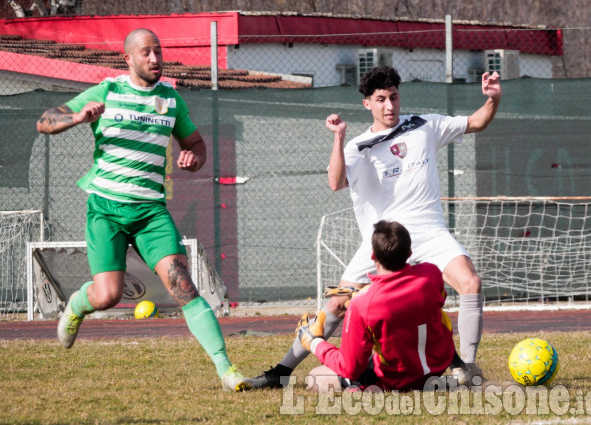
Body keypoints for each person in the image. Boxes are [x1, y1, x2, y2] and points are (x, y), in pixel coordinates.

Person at [248, 65, 501, 388]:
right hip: (382, 243)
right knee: (337, 303)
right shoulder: (357, 147)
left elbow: (477, 121)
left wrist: (492, 99)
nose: (389, 106)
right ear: (367, 103)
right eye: (381, 99)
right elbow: (335, 182)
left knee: (471, 283)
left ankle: (467, 369)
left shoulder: (425, 125)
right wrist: (339, 138)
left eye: (394, 97)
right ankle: (280, 373)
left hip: (428, 232)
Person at [36, 28, 250, 392]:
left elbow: (196, 144)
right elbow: (45, 121)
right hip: (106, 208)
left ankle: (227, 370)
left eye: (159, 52)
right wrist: (77, 118)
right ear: (129, 58)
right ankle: (75, 305)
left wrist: (193, 158)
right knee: (108, 296)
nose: (155, 59)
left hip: (151, 211)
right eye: (146, 52)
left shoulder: (171, 100)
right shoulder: (107, 91)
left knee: (184, 287)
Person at [296, 220, 456, 392]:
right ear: (409, 253)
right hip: (437, 366)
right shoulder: (431, 274)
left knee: (315, 377)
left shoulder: (362, 304)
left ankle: (369, 390)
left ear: (372, 255)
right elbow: (415, 298)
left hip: (396, 379)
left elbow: (350, 367)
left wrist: (315, 343)